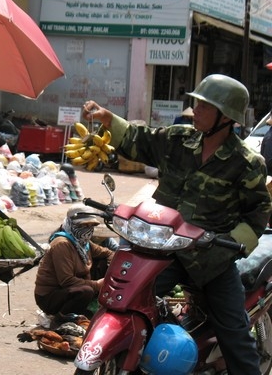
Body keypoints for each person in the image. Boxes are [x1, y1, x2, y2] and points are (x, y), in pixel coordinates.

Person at [83, 73, 272, 375]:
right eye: (196, 103)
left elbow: (258, 212)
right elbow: (138, 141)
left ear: (226, 117)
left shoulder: (246, 163)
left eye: (204, 106)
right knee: (121, 299)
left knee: (235, 335)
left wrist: (229, 245)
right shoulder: (177, 140)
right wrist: (107, 119)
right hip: (162, 251)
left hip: (210, 260)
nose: (195, 110)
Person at [34, 203, 116, 320]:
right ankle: (62, 317)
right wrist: (97, 285)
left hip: (73, 288)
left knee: (103, 262)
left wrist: (110, 268)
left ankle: (89, 306)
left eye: (91, 225)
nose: (88, 230)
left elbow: (108, 253)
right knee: (85, 291)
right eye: (84, 225)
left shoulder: (83, 243)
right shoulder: (62, 244)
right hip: (50, 296)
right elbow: (66, 280)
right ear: (72, 225)